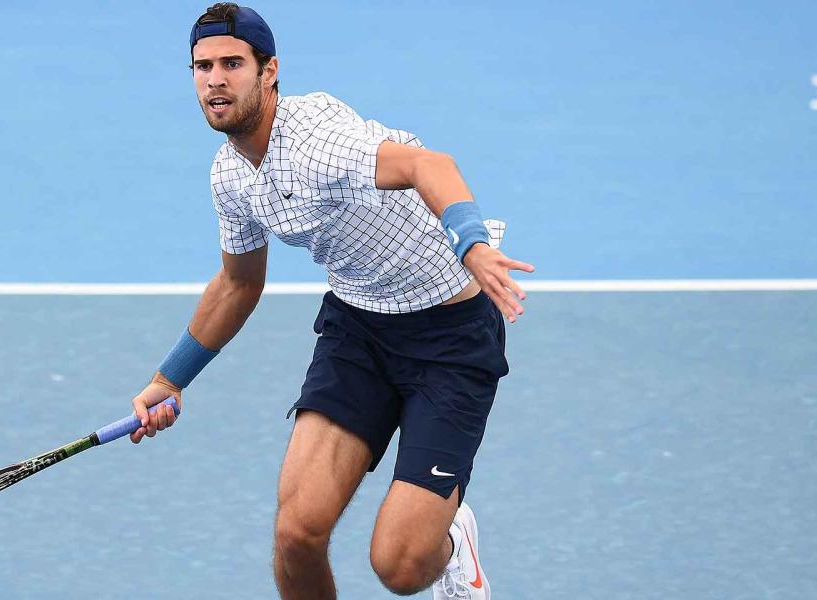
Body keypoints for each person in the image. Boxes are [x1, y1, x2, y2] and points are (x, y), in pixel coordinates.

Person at [127, 4, 534, 598]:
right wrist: (170, 378)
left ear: (269, 71)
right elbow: (239, 284)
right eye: (203, 66)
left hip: (449, 336)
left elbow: (430, 165)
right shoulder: (229, 175)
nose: (215, 79)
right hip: (359, 332)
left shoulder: (321, 142)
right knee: (297, 534)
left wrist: (470, 242)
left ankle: (452, 543)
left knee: (399, 567)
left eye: (232, 64)